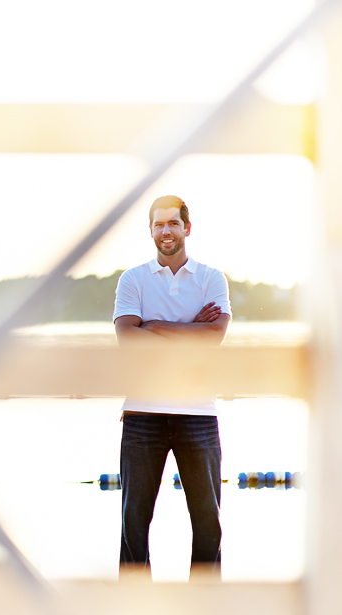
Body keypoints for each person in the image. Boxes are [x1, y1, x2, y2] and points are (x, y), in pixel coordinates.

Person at [113, 195, 231, 579]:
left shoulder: (211, 278)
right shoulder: (133, 279)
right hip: (143, 413)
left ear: (187, 228)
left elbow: (214, 335)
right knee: (134, 526)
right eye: (159, 224)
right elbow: (128, 338)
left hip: (198, 412)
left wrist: (155, 325)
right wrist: (190, 330)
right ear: (150, 231)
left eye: (173, 223)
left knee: (208, 525)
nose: (166, 231)